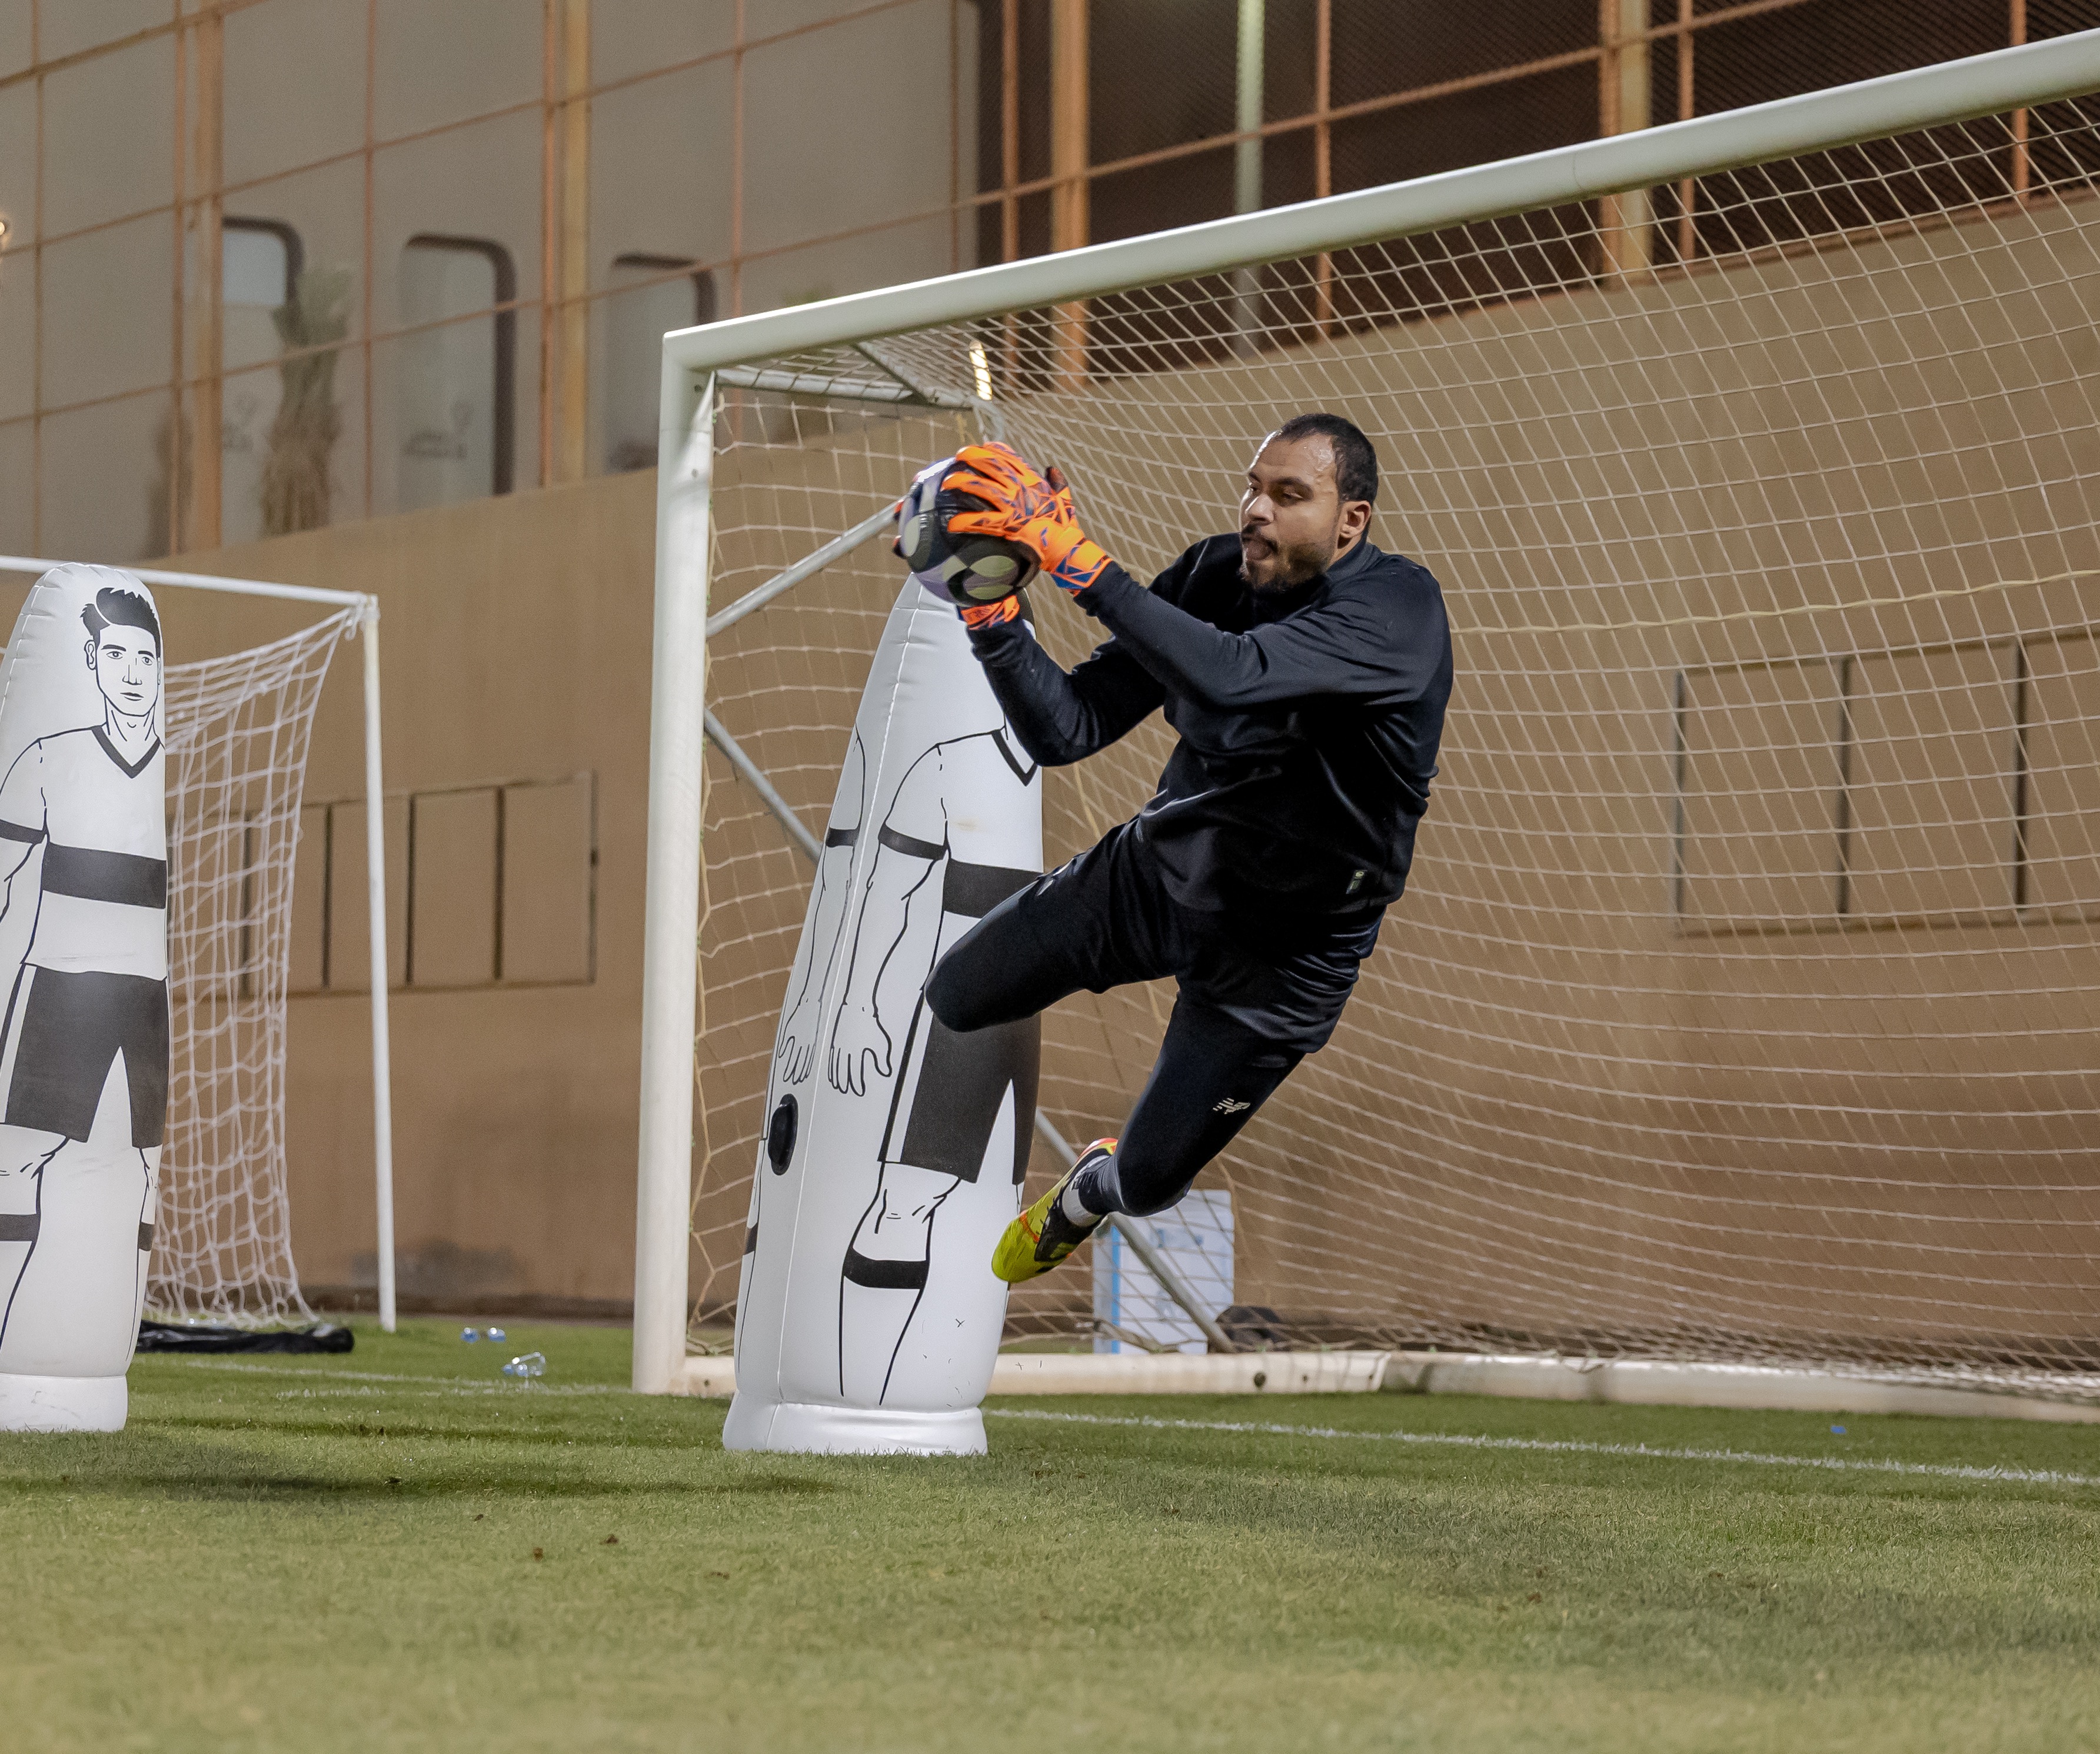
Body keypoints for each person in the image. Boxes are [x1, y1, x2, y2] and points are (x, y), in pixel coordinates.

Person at [918, 412, 1453, 1284]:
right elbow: (1070, 725)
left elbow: (1232, 674)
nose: (1256, 510)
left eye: (1289, 495)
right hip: (1160, 872)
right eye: (1252, 486)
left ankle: (1084, 1191)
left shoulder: (1397, 610)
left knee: (1150, 1179)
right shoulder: (1213, 572)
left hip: (1286, 953)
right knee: (958, 992)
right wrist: (993, 614)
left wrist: (1077, 560)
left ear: (1350, 521)